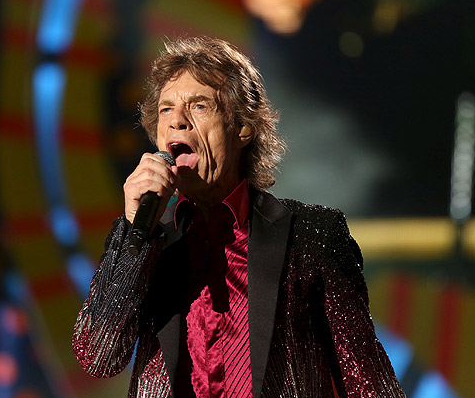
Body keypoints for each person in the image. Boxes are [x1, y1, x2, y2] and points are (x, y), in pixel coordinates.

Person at [72, 36, 405, 398]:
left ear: (243, 127)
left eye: (199, 105)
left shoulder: (310, 237)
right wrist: (134, 232)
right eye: (166, 109)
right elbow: (97, 356)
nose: (177, 121)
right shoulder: (147, 241)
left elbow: (369, 384)